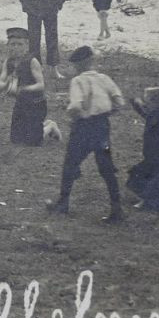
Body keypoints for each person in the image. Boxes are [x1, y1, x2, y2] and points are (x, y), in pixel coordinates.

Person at [48, 45, 124, 223]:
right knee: (106, 167)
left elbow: (75, 105)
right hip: (102, 126)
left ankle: (63, 203)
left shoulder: (78, 81)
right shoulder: (104, 78)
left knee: (70, 164)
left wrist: (78, 117)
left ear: (77, 65)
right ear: (92, 62)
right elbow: (119, 102)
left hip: (83, 128)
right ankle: (116, 208)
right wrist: (107, 113)